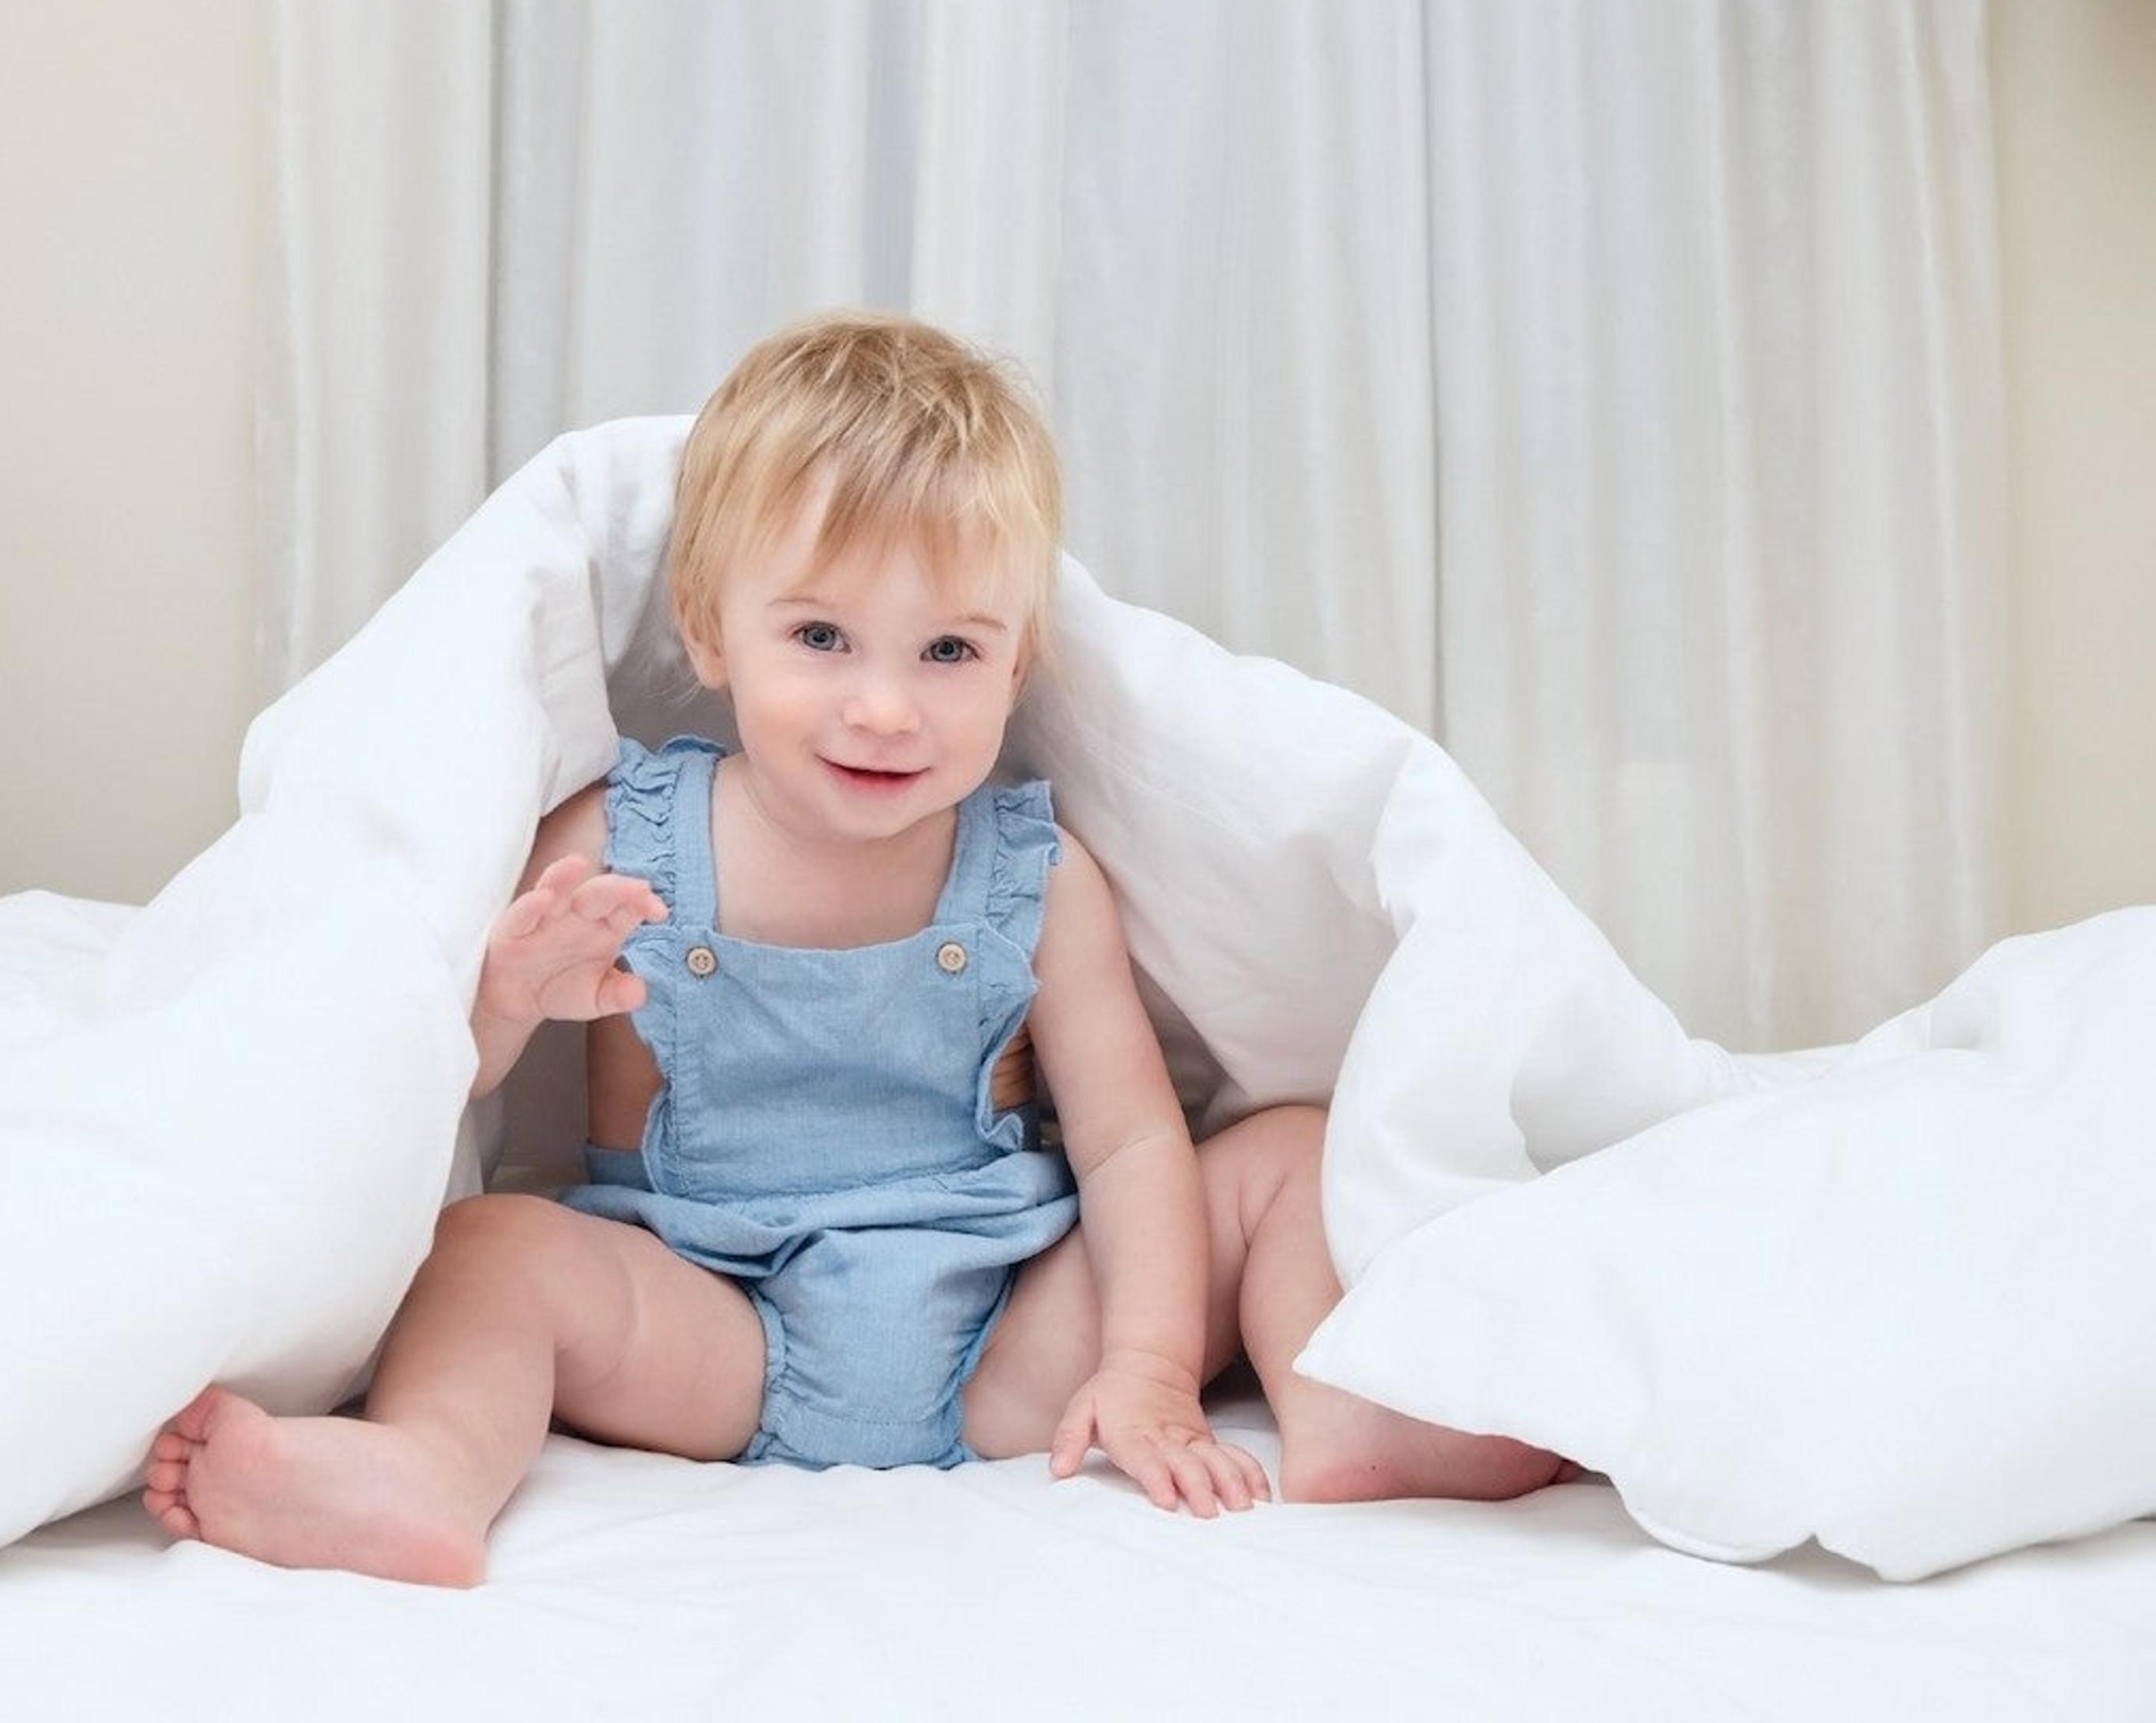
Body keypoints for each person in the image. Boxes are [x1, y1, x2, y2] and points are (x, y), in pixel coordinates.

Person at [144, 313, 1560, 1586]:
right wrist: (516, 997)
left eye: (949, 652)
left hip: (1003, 1329)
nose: (885, 709)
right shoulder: (615, 835)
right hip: (716, 1327)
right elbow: (431, 1079)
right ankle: (431, 1473)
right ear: (710, 629)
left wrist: (1144, 1371)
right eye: (822, 635)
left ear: (1021, 665)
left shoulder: (1036, 873)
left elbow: (1131, 1145)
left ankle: (1354, 1417)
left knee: (1288, 1158)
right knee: (493, 1247)